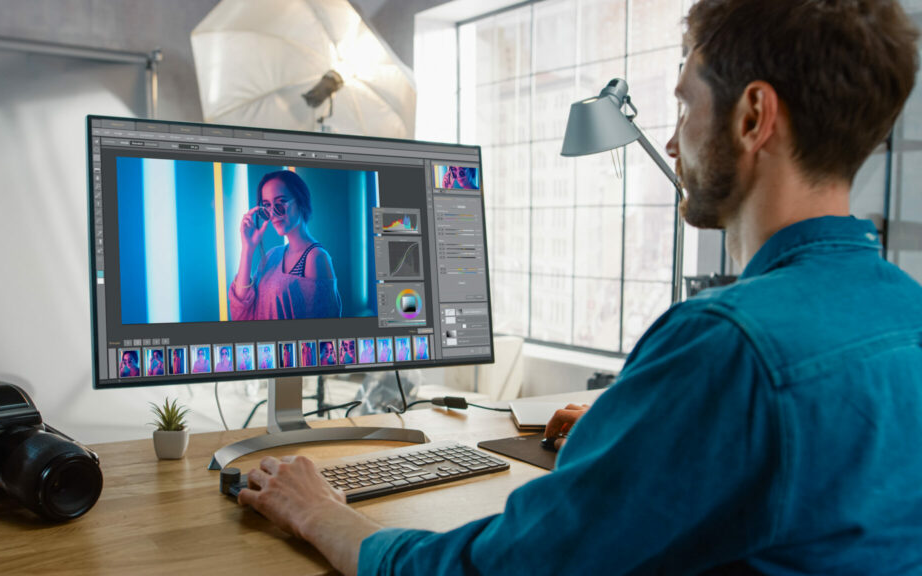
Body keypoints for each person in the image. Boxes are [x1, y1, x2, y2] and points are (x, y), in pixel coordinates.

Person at [234, 1, 922, 574]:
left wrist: (320, 513)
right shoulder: (906, 312)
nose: (674, 142)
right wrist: (646, 434)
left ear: (751, 117)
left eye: (684, 104)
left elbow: (501, 569)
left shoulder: (727, 344)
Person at [229, 171, 341, 321]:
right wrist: (247, 249)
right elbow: (241, 312)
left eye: (280, 203)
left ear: (300, 200)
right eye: (267, 206)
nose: (273, 213)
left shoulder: (315, 258)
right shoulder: (272, 256)